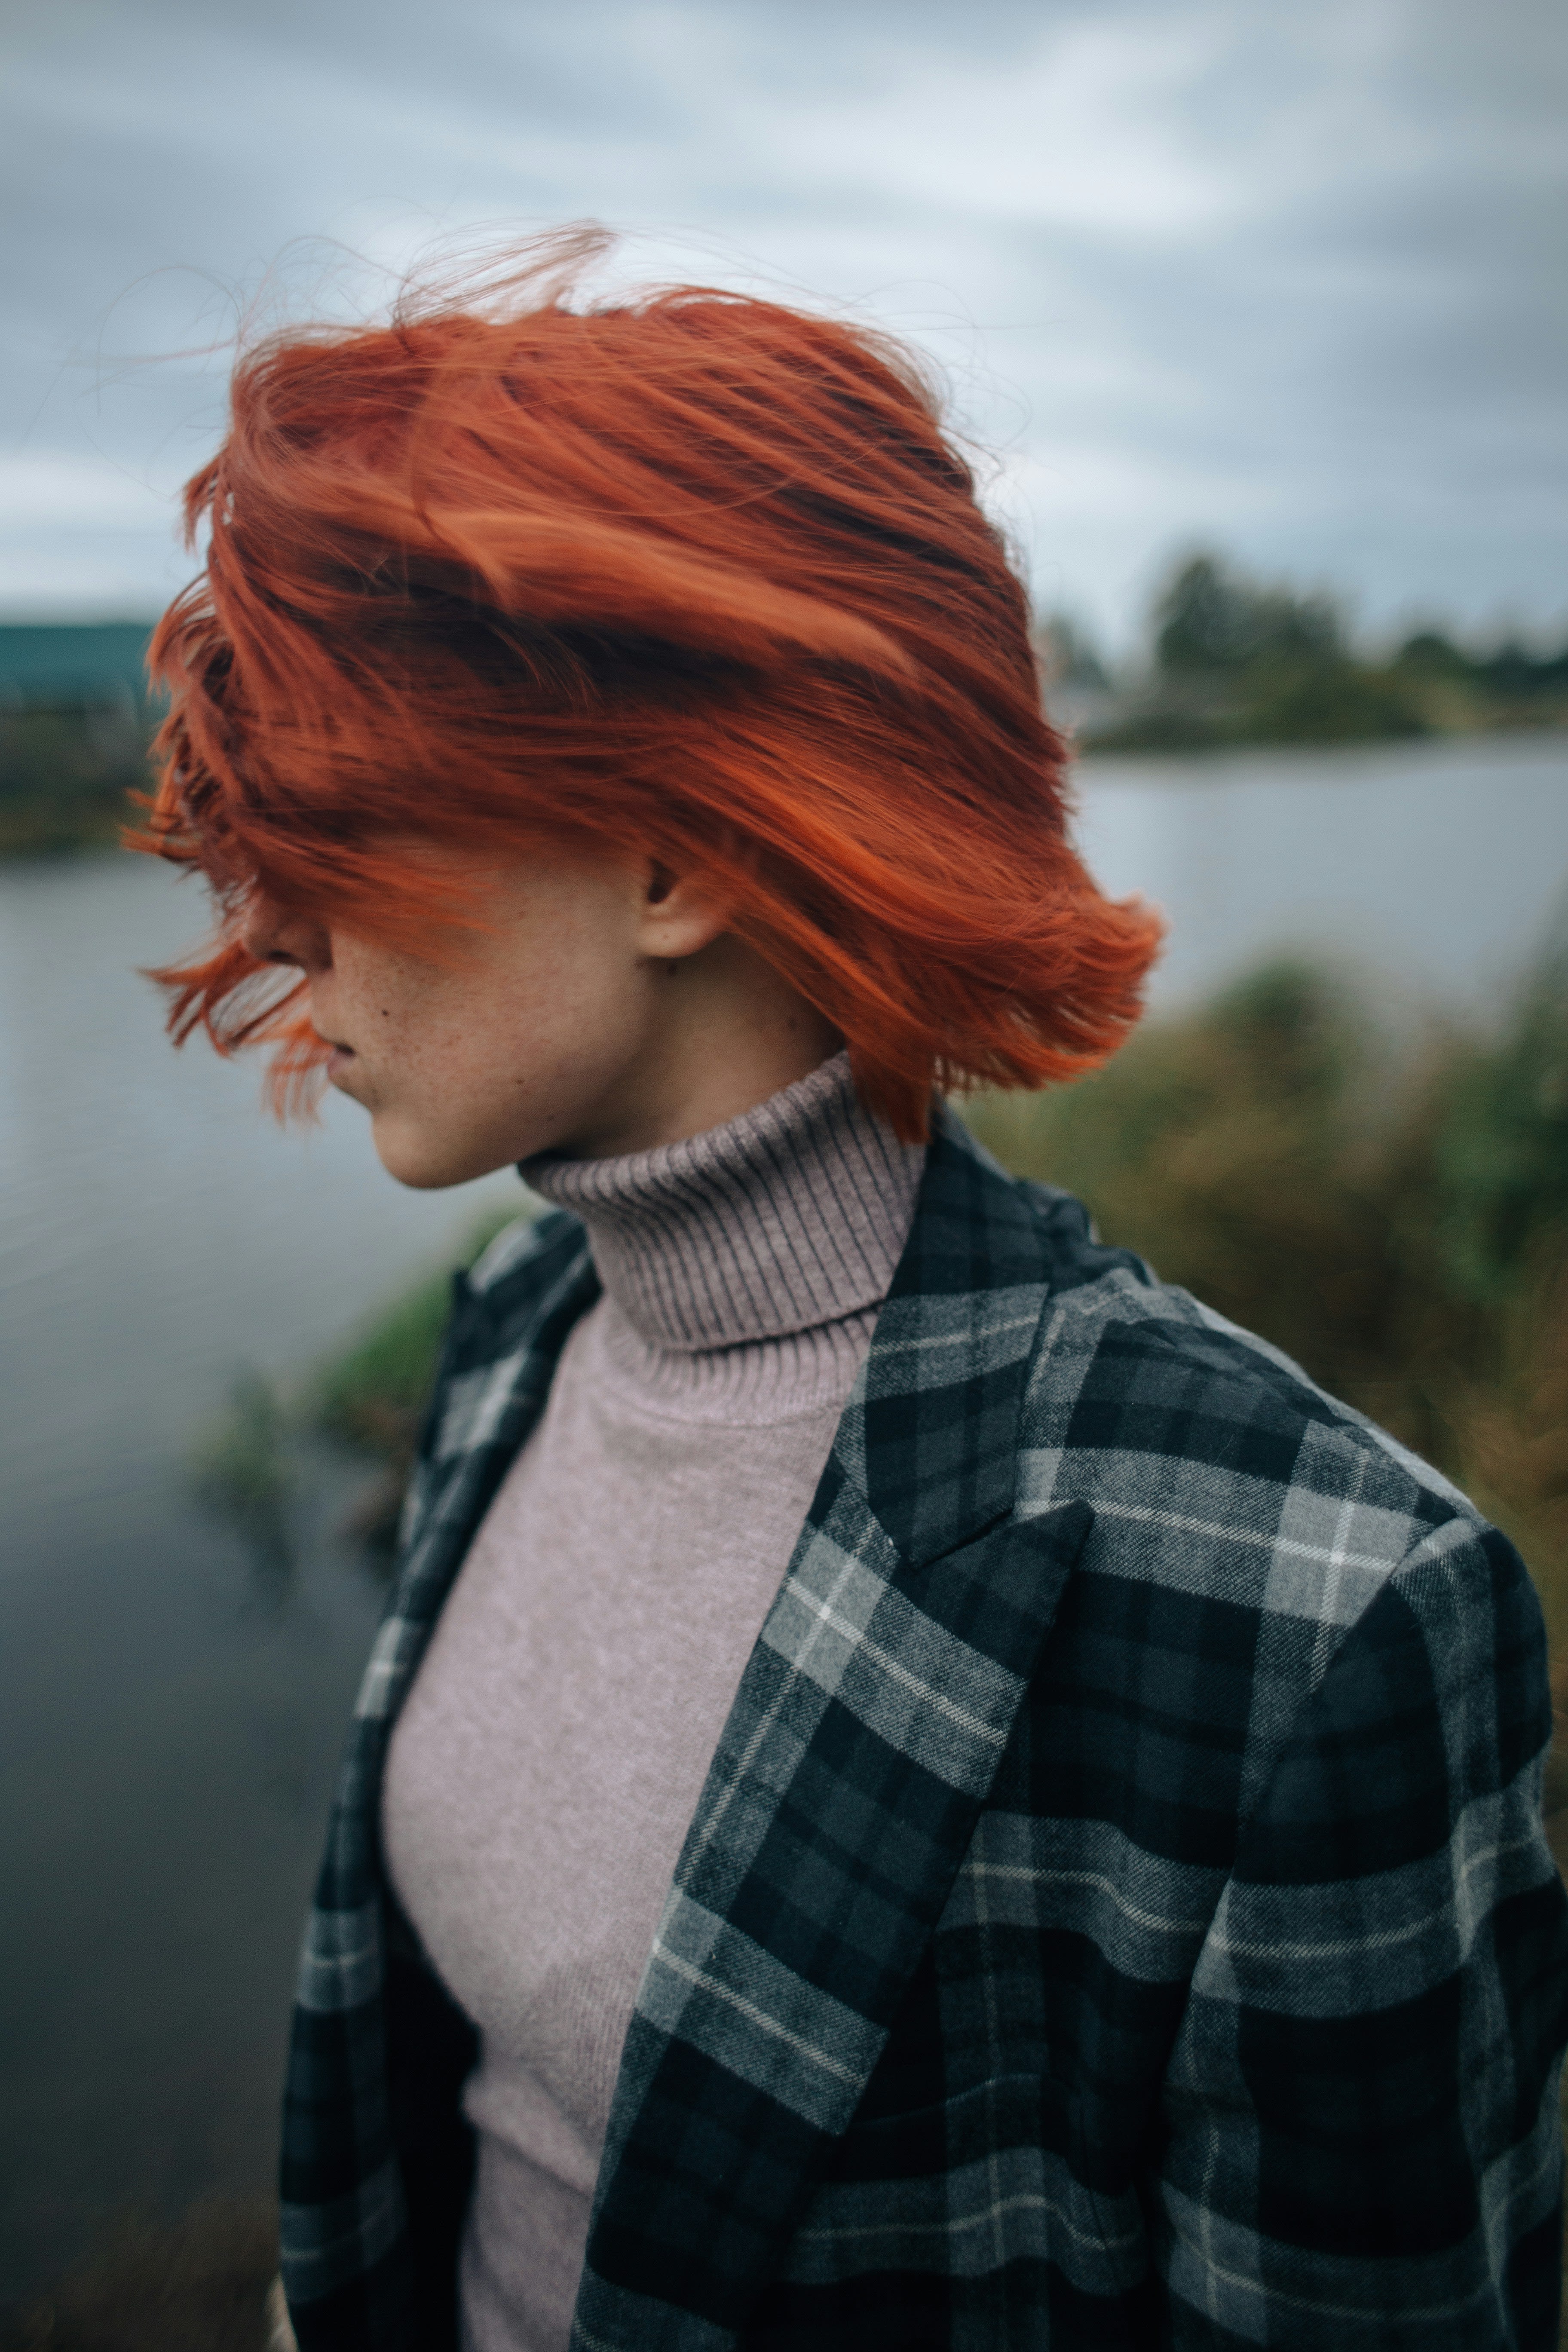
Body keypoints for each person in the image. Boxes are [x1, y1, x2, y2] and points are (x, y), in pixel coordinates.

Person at [140, 235, 1568, 2352]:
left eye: (344, 834)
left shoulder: (1319, 1620)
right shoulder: (515, 1342)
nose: (273, 928)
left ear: (671, 858)